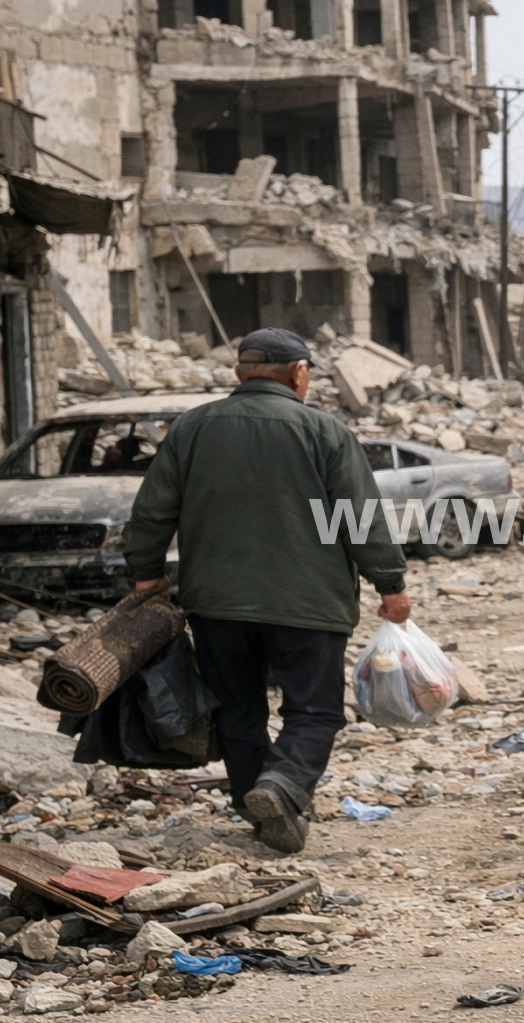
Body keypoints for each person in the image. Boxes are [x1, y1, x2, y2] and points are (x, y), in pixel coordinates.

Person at [123, 328, 410, 855]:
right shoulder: (324, 431)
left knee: (238, 709)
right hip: (309, 604)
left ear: (239, 374)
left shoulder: (192, 429)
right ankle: (281, 786)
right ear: (300, 374)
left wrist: (146, 573)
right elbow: (359, 519)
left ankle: (259, 810)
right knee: (315, 711)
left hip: (216, 603)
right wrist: (389, 585)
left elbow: (151, 511)